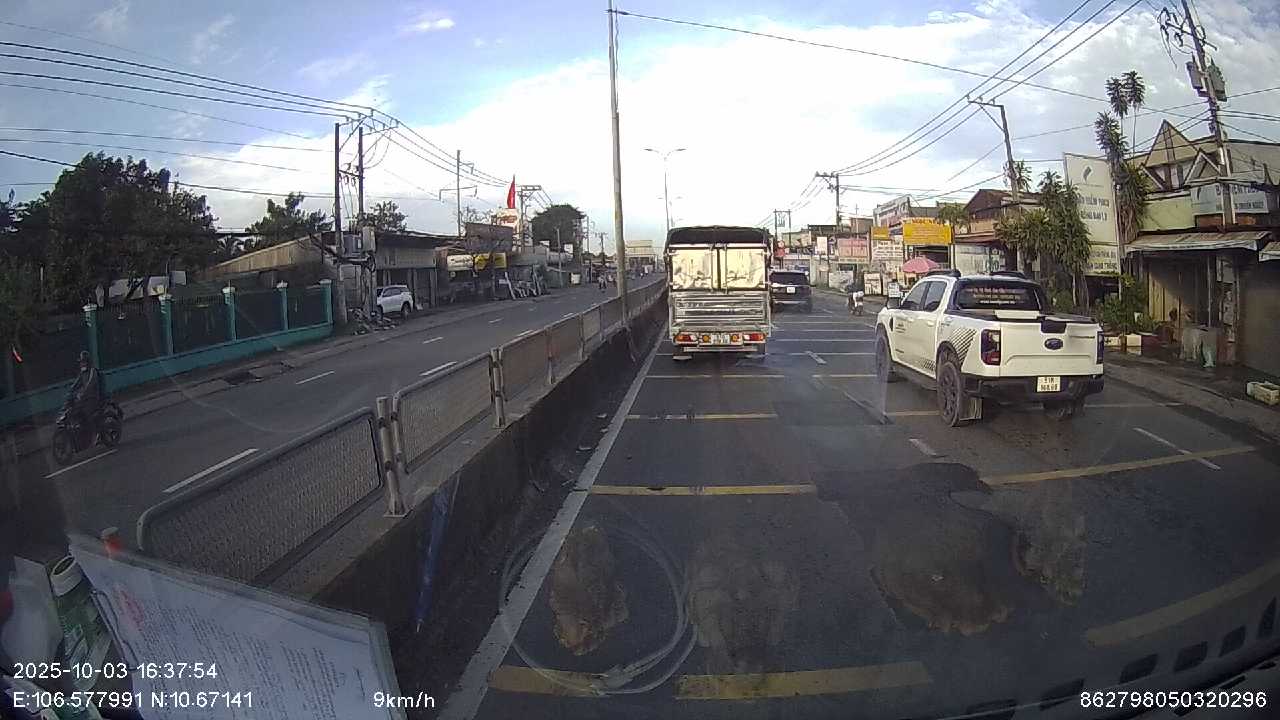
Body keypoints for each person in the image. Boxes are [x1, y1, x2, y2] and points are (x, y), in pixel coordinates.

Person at [64, 350, 104, 435]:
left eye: (84, 362)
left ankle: (93, 433)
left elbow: (90, 383)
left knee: (86, 413)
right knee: (74, 410)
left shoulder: (93, 371)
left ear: (88, 362)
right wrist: (69, 391)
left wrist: (82, 393)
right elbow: (76, 383)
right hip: (84, 398)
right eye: (81, 362)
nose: (82, 364)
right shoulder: (82, 373)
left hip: (93, 398)